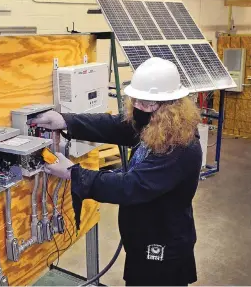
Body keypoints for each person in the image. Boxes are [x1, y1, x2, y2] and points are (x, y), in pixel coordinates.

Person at [30, 57, 202, 286]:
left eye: (146, 103)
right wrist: (64, 121)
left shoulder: (181, 147)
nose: (138, 107)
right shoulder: (156, 124)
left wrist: (73, 173)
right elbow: (114, 125)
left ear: (170, 106)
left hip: (163, 246)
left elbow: (130, 186)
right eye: (136, 100)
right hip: (142, 237)